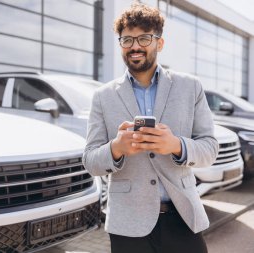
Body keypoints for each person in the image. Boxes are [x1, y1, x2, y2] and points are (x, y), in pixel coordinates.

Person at [83, 3, 219, 253]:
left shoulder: (191, 87)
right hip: (128, 224)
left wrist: (176, 146)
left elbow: (210, 149)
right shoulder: (102, 96)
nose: (135, 46)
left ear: (160, 42)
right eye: (127, 40)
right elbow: (90, 160)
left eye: (144, 38)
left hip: (183, 218)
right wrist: (116, 148)